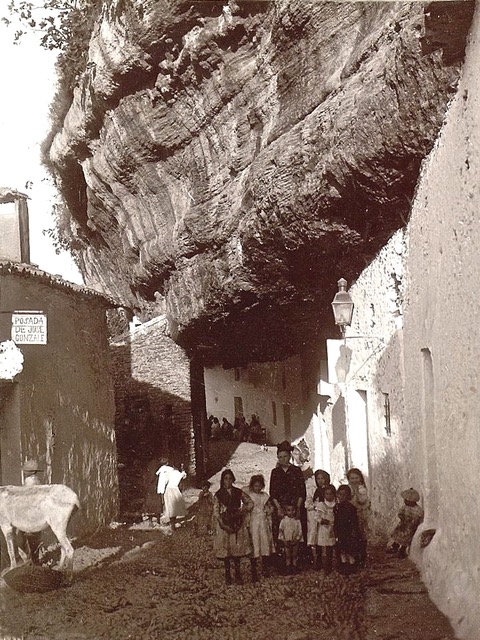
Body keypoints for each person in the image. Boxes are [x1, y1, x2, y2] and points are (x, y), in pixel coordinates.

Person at [213, 469, 253, 585]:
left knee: (236, 548)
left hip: (237, 520)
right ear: (222, 480)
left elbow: (249, 502)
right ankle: (227, 574)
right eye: (226, 479)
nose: (228, 481)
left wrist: (242, 511)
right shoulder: (219, 494)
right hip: (225, 522)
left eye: (230, 478)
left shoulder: (238, 492)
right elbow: (216, 510)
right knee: (227, 550)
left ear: (233, 479)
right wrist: (221, 522)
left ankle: (238, 573)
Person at [269, 441, 306, 559]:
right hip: (280, 506)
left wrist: (298, 508)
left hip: (295, 506)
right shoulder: (275, 472)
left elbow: (301, 491)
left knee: (296, 533)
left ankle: (296, 561)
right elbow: (273, 493)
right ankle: (283, 562)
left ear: (289, 456)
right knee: (282, 534)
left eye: (285, 456)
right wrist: (279, 508)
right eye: (280, 457)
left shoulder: (296, 471)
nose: (283, 459)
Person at [246, 474, 275, 581]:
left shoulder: (264, 496)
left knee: (265, 542)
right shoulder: (250, 496)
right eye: (255, 486)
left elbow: (269, 506)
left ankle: (265, 568)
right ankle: (254, 570)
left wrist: (269, 510)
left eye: (259, 486)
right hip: (254, 522)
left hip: (263, 522)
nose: (257, 488)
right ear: (252, 486)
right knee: (255, 543)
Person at [306, 473, 336, 571]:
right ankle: (318, 561)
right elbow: (308, 504)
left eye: (322, 478)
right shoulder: (314, 490)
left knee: (328, 540)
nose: (320, 481)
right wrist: (315, 506)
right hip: (316, 516)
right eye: (318, 479)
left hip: (327, 518)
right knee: (316, 539)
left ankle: (329, 562)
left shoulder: (330, 490)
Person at [386, 488, 424, 558]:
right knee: (397, 536)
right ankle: (395, 547)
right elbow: (400, 514)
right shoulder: (406, 507)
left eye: (406, 500)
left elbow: (418, 519)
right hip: (404, 525)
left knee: (405, 539)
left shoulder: (417, 510)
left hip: (409, 527)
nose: (405, 501)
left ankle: (401, 551)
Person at [334, 484, 363, 573]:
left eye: (343, 495)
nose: (341, 497)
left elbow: (354, 522)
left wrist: (354, 532)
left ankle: (352, 566)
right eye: (339, 494)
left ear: (348, 496)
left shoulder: (351, 508)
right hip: (340, 532)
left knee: (349, 551)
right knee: (342, 550)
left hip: (349, 532)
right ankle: (344, 565)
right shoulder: (336, 507)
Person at [20, 459, 44, 564]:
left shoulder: (30, 481)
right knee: (34, 537)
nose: (24, 472)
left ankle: (33, 561)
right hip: (37, 512)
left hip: (31, 512)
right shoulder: (37, 480)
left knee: (30, 536)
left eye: (26, 471)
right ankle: (35, 559)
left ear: (30, 472)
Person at [347, 467, 370, 565]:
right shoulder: (348, 488)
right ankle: (354, 556)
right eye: (352, 478)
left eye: (356, 478)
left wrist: (356, 492)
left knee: (361, 534)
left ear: (360, 478)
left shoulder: (362, 489)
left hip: (360, 514)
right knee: (352, 535)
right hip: (350, 515)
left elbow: (362, 501)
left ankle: (362, 556)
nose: (354, 480)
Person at [156, 458, 187, 528]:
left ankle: (172, 523)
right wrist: (182, 469)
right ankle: (173, 523)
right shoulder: (180, 473)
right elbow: (184, 475)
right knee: (175, 507)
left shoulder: (170, 472)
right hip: (175, 489)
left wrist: (161, 490)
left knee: (170, 507)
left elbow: (164, 480)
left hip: (168, 489)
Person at [278, 502, 303, 574]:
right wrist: (284, 540)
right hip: (286, 540)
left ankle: (294, 567)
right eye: (289, 510)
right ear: (285, 511)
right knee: (287, 555)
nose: (291, 512)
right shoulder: (283, 521)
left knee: (294, 555)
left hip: (295, 540)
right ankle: (288, 568)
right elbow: (281, 531)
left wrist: (297, 539)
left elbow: (300, 531)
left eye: (293, 510)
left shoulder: (297, 521)